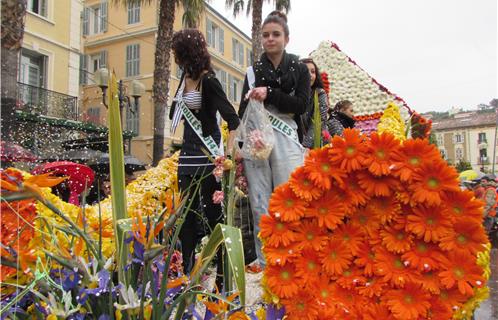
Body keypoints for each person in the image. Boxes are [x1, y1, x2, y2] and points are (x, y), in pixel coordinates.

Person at [238, 11, 310, 270]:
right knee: (259, 201)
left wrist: (270, 94)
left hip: (287, 137)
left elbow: (302, 105)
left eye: (275, 34)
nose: (270, 39)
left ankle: (293, 258)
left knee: (288, 198)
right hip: (257, 138)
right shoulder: (253, 71)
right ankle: (266, 260)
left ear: (286, 38)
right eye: (265, 35)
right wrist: (238, 145)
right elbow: (242, 111)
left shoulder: (299, 69)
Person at [169, 29, 240, 277]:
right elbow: (175, 115)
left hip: (208, 156)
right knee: (185, 216)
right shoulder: (183, 78)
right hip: (186, 155)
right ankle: (188, 273)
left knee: (212, 215)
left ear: (188, 53)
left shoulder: (209, 81)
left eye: (178, 52)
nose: (175, 57)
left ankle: (221, 272)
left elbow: (233, 120)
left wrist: (227, 155)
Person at [300, 58, 329, 149]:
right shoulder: (292, 95)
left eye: (313, 72)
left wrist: (305, 147)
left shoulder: (320, 94)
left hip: (317, 146)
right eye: (305, 71)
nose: (310, 75)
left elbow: (318, 123)